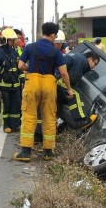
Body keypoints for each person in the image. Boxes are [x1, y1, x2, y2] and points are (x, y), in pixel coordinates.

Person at [14, 22, 73, 162]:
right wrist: (69, 89)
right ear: (53, 35)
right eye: (55, 35)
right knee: (49, 117)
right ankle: (48, 152)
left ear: (42, 33)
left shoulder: (30, 47)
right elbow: (63, 72)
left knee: (29, 116)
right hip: (49, 83)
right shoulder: (55, 52)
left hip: (32, 82)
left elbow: (20, 65)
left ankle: (26, 152)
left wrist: (30, 69)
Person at [0, 28, 24, 133]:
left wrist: (22, 80)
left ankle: (15, 125)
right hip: (4, 85)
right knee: (6, 106)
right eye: (10, 40)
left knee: (16, 105)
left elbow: (19, 68)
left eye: (13, 40)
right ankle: (6, 125)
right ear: (4, 40)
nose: (12, 42)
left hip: (15, 85)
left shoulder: (14, 52)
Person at [57, 50, 99, 130]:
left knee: (59, 107)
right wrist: (71, 88)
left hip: (54, 78)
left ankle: (73, 124)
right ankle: (81, 121)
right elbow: (73, 77)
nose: (94, 66)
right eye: (95, 63)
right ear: (90, 59)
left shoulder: (78, 56)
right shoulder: (81, 60)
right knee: (76, 93)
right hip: (59, 80)